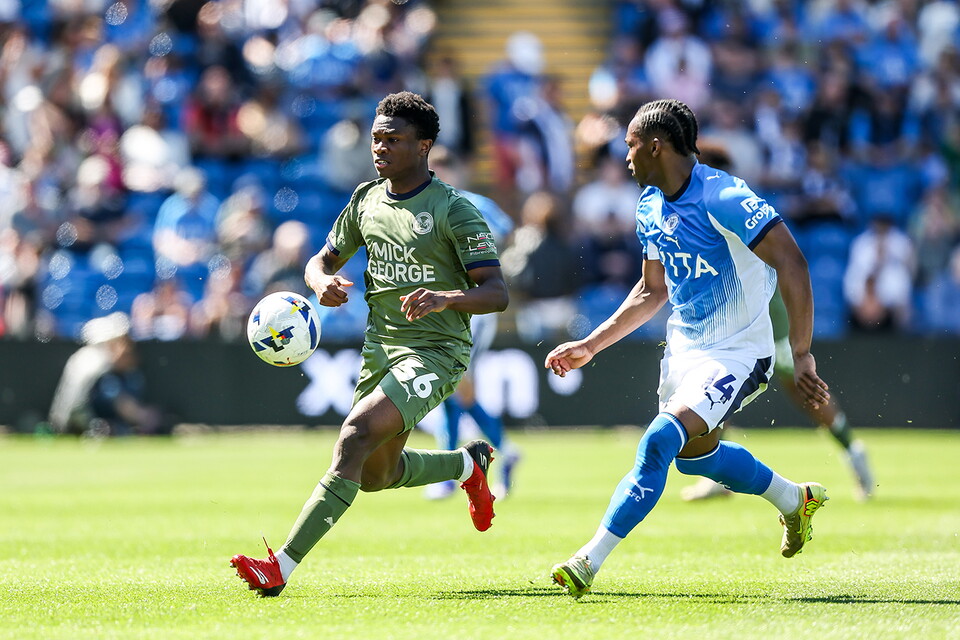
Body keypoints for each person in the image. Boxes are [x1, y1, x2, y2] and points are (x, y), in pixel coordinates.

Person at [545, 99, 830, 599]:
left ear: (656, 146)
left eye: (630, 145)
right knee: (696, 460)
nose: (625, 157)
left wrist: (800, 351)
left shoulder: (723, 196)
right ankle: (793, 499)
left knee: (657, 441)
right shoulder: (650, 204)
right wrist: (592, 344)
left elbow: (793, 261)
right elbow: (651, 291)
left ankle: (587, 561)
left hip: (740, 352)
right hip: (685, 348)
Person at [230, 92, 510, 597]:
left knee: (354, 437)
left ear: (424, 146)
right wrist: (320, 285)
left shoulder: (454, 210)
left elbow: (497, 293)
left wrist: (445, 298)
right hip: (380, 351)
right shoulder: (366, 200)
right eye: (377, 138)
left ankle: (281, 567)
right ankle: (470, 464)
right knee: (377, 474)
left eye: (393, 139)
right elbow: (320, 261)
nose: (379, 148)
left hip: (436, 353)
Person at [681, 141, 875, 502]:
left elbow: (782, 263)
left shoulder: (731, 203)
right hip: (733, 318)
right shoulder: (701, 204)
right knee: (711, 386)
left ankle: (851, 448)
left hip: (767, 317)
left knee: (798, 388)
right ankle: (717, 475)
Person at [422, 145, 521, 501]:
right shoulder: (433, 204)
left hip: (471, 310)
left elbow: (507, 236)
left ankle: (459, 468)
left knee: (454, 385)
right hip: (446, 307)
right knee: (451, 389)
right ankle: (462, 466)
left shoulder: (464, 202)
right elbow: (509, 234)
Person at [48, 312, 168, 437]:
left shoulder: (86, 357)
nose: (128, 347)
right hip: (78, 424)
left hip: (65, 420)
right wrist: (143, 416)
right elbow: (115, 399)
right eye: (122, 341)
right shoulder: (97, 361)